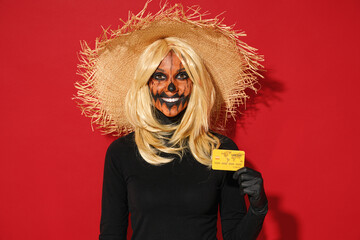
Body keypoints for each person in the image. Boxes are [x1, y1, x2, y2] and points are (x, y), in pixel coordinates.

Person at [74, 3, 268, 240]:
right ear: (146, 84)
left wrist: (258, 208)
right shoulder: (121, 153)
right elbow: (111, 234)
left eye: (182, 75)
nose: (172, 86)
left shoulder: (221, 150)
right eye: (159, 76)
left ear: (194, 84)